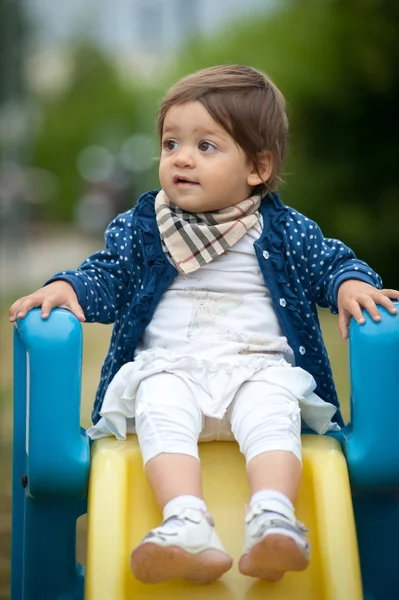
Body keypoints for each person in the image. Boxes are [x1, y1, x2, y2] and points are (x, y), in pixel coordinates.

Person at [9, 65, 399, 585]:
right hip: (171, 368)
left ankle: (273, 516)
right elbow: (107, 275)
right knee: (158, 407)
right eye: (171, 144)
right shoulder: (145, 227)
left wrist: (350, 283)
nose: (182, 158)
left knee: (272, 413)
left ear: (258, 167)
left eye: (206, 146)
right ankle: (185, 522)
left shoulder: (283, 230)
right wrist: (69, 289)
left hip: (257, 368)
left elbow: (331, 263)